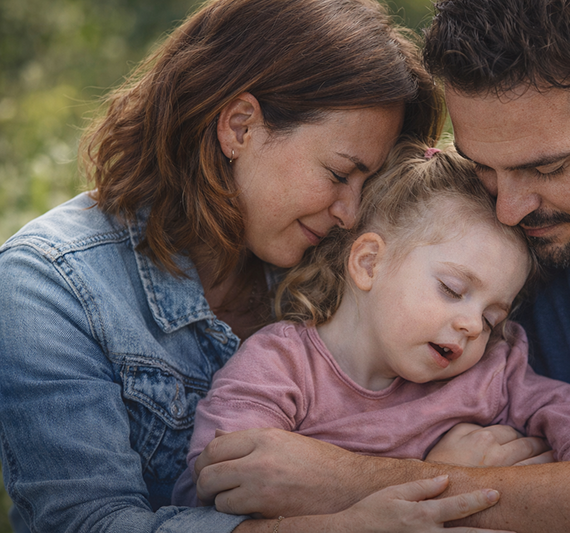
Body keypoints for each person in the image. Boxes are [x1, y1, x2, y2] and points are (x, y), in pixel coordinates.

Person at [189, 0, 570, 532]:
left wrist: (351, 482)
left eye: (547, 168)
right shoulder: (466, 222)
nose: (508, 210)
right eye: (481, 165)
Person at [0, 0, 520, 531]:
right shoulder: (49, 285)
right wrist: (355, 515)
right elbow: (88, 522)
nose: (350, 213)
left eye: (369, 182)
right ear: (240, 127)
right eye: (341, 173)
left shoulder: (358, 271)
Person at [172, 140, 570, 517]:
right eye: (453, 290)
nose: (472, 325)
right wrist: (431, 476)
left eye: (493, 316)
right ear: (369, 262)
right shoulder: (280, 367)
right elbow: (214, 488)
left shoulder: (488, 370)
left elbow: (569, 409)